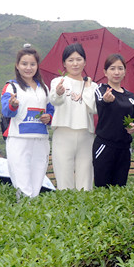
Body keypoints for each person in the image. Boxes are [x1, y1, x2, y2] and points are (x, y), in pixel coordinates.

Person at [1, 46, 54, 197]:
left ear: (37, 66)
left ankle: (31, 214)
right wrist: (13, 105)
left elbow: (51, 110)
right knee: (22, 183)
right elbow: (6, 111)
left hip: (40, 140)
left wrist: (48, 117)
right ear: (17, 65)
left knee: (37, 181)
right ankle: (25, 213)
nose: (28, 68)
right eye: (24, 64)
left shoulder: (43, 88)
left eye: (32, 64)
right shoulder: (11, 87)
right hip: (19, 139)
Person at [49, 43, 97, 190]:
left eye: (79, 59)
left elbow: (93, 108)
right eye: (70, 60)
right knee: (64, 179)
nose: (75, 63)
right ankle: (65, 211)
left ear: (85, 61)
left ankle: (84, 211)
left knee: (86, 179)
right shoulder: (58, 81)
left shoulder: (93, 86)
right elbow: (55, 100)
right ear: (64, 63)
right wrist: (58, 92)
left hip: (86, 135)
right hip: (63, 133)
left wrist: (88, 86)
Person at [92, 54, 134, 187]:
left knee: (120, 187)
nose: (116, 72)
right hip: (105, 146)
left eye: (120, 68)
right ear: (105, 72)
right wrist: (107, 100)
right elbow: (101, 102)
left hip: (124, 148)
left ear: (124, 71)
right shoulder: (101, 90)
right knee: (102, 187)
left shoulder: (129, 96)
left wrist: (133, 127)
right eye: (112, 68)